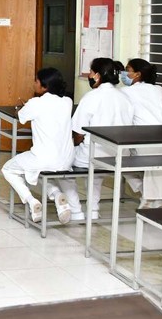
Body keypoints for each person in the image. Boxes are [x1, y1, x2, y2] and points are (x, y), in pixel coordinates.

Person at [59, 58, 134, 221]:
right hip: (119, 155)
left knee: (60, 165)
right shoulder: (125, 98)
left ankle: (76, 210)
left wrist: (69, 147)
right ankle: (93, 210)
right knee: (96, 171)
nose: (90, 75)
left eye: (91, 72)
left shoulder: (91, 97)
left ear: (98, 75)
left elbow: (78, 133)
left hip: (93, 155)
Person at [1, 68, 74, 223]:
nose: (34, 84)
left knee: (8, 169)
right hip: (66, 160)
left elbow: (20, 116)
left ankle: (32, 201)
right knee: (33, 172)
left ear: (44, 86)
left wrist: (22, 107)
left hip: (44, 158)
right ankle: (56, 195)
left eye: (36, 81)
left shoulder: (36, 103)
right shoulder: (67, 102)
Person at [121, 58, 162, 208]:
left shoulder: (126, 92)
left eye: (128, 70)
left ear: (137, 74)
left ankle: (146, 193)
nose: (124, 74)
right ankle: (151, 196)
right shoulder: (158, 89)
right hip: (160, 137)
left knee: (117, 160)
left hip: (143, 140)